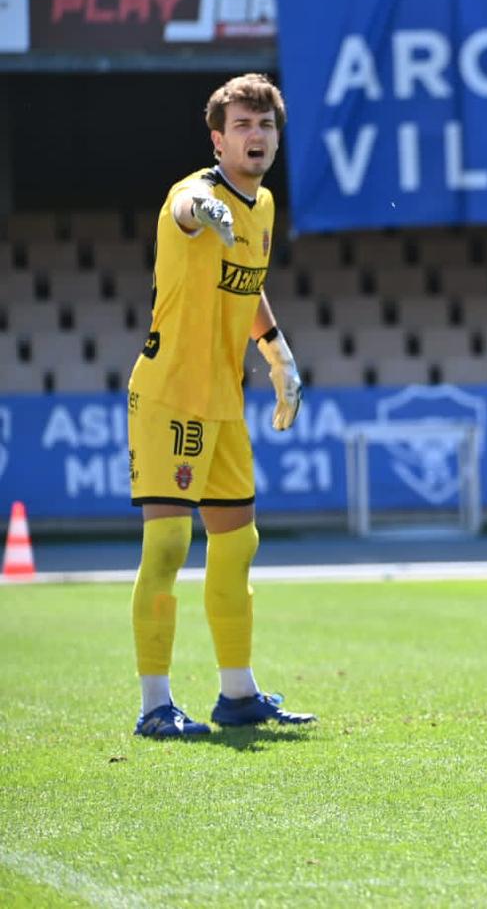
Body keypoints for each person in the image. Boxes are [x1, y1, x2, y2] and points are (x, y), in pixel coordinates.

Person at [125, 73, 314, 737]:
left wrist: (277, 351)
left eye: (265, 127)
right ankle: (155, 705)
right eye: (242, 126)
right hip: (169, 395)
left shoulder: (260, 209)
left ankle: (237, 694)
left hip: (224, 404)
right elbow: (187, 210)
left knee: (238, 545)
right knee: (170, 543)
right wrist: (204, 214)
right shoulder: (196, 194)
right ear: (218, 138)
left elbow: (248, 283)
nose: (256, 137)